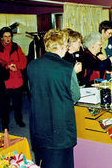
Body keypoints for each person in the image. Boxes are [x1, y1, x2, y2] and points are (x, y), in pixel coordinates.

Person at [27, 29, 80, 168]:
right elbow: (76, 96)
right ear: (61, 46)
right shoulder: (68, 68)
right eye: (66, 45)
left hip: (39, 124)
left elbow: (31, 90)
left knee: (43, 160)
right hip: (61, 126)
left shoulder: (32, 66)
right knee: (63, 162)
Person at [0, 27, 27, 129]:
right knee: (5, 106)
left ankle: (19, 120)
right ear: (1, 38)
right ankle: (5, 124)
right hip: (5, 82)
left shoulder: (17, 47)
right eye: (5, 37)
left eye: (9, 36)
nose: (8, 39)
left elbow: (23, 62)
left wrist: (16, 66)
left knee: (18, 103)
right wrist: (7, 67)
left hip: (17, 80)